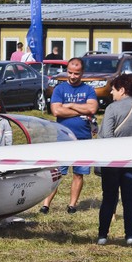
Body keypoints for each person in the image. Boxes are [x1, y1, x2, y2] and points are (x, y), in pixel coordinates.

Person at [96, 74, 132, 246]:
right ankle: (130, 235)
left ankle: (102, 236)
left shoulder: (112, 109)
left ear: (122, 90)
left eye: (113, 90)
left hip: (112, 162)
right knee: (129, 199)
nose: (112, 94)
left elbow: (107, 135)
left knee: (109, 198)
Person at [40, 57, 98, 214]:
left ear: (82, 73)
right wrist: (82, 109)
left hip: (84, 138)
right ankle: (45, 205)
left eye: (76, 73)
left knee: (79, 173)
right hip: (63, 138)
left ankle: (72, 205)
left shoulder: (89, 90)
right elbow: (56, 111)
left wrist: (71, 105)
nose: (73, 76)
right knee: (57, 172)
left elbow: (92, 109)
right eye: (70, 72)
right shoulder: (59, 89)